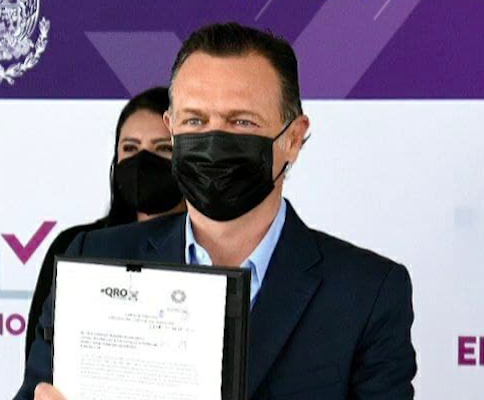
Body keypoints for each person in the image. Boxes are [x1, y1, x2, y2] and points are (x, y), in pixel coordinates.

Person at [22, 23, 417, 400]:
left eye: (241, 122)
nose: (213, 142)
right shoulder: (94, 260)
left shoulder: (366, 292)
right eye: (195, 120)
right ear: (172, 129)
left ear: (294, 138)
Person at [19, 86, 185, 370]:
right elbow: (41, 362)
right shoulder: (77, 246)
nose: (143, 161)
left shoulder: (211, 249)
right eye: (130, 148)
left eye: (164, 148)